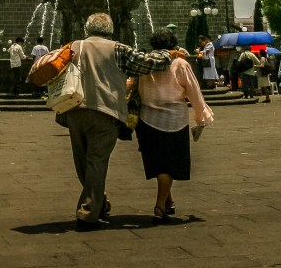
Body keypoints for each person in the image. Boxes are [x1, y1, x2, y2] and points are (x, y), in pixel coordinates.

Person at [64, 13, 172, 231]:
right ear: (110, 29)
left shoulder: (74, 46)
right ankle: (87, 214)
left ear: (88, 29)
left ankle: (98, 202)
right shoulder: (118, 48)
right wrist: (167, 54)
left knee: (83, 161)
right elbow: (147, 64)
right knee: (96, 161)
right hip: (104, 111)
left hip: (74, 110)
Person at [136, 29, 214, 223]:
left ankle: (168, 199)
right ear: (173, 44)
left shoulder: (145, 63)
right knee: (168, 166)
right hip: (174, 121)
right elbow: (194, 92)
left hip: (147, 120)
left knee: (158, 162)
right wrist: (201, 115)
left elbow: (134, 87)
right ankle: (159, 206)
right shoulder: (180, 64)